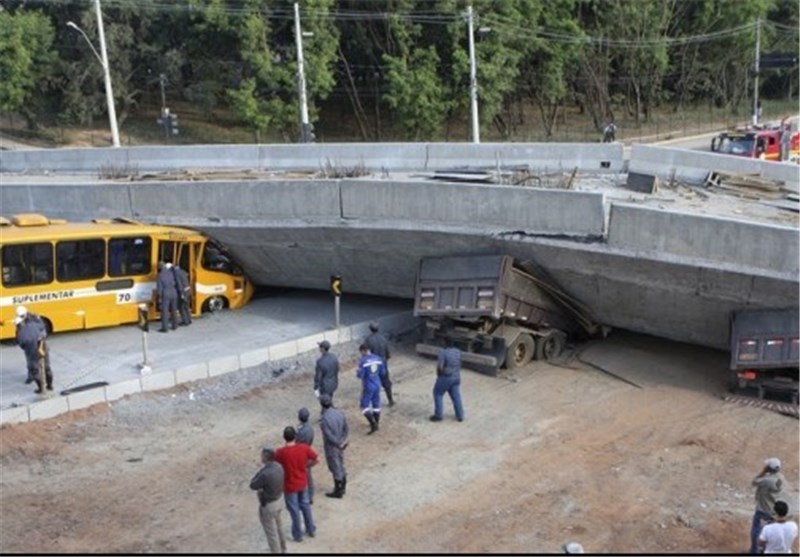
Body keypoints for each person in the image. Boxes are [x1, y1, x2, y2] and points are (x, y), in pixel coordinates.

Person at [274, 425, 318, 543]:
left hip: (289, 485)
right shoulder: (303, 448)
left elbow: (275, 465)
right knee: (306, 506)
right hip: (302, 482)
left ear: (284, 437)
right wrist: (307, 466)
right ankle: (311, 529)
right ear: (295, 436)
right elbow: (316, 459)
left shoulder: (280, 453)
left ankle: (298, 534)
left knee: (294, 510)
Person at [249, 447, 287, 554]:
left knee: (271, 533)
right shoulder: (279, 467)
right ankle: (284, 549)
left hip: (269, 505)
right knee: (279, 527)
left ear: (265, 458)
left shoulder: (265, 473)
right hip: (279, 500)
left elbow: (253, 484)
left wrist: (261, 470)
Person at [751, 457, 790, 554]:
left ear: (769, 468)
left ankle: (755, 552)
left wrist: (763, 472)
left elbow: (754, 481)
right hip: (773, 511)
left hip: (763, 510)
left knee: (756, 532)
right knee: (770, 533)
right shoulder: (781, 478)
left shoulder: (766, 480)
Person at [14, 306, 53, 394]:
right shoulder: (35, 320)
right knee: (47, 367)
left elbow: (21, 343)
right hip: (43, 346)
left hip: (32, 351)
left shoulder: (21, 331)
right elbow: (43, 330)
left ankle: (41, 388)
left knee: (35, 371)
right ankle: (50, 386)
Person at [318, 393, 349, 499]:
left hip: (332, 446)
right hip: (341, 443)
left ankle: (338, 490)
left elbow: (328, 435)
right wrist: (342, 441)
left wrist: (337, 443)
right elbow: (346, 428)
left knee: (334, 466)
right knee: (341, 463)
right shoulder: (339, 413)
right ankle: (343, 486)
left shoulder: (324, 419)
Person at [430, 338, 465, 422]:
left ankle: (438, 415)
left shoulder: (443, 353)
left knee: (437, 393)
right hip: (456, 377)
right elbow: (461, 364)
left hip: (446, 377)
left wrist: (439, 375)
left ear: (445, 344)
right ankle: (460, 415)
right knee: (456, 396)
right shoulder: (458, 352)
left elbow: (440, 367)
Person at [356, 343, 386, 434]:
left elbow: (360, 375)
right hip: (377, 384)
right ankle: (376, 422)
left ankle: (373, 424)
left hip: (368, 385)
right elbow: (383, 373)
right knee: (376, 403)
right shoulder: (378, 358)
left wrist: (358, 371)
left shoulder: (363, 361)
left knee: (364, 405)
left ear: (363, 351)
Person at [365, 322, 394, 406]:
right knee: (386, 382)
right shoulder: (383, 338)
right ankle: (390, 400)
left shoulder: (368, 340)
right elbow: (388, 353)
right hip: (382, 363)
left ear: (370, 329)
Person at [295, 407, 315, 504]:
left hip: (300, 454)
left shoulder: (300, 430)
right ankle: (310, 495)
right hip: (307, 452)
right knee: (308, 475)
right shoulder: (310, 428)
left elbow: (296, 442)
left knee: (304, 475)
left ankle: (306, 495)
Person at [156, 261, 179, 332]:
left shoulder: (160, 275)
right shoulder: (171, 273)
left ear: (160, 267)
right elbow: (175, 282)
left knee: (165, 311)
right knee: (173, 309)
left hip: (166, 293)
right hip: (174, 292)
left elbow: (159, 288)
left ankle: (165, 328)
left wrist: (159, 297)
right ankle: (175, 325)